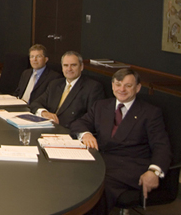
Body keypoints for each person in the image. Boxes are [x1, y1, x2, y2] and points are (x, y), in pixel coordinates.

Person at [70, 69, 171, 214]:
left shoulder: (150, 112)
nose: (122, 89)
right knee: (72, 175)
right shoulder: (101, 106)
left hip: (130, 164)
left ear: (138, 88)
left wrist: (154, 171)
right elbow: (79, 123)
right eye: (118, 84)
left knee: (97, 185)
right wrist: (86, 134)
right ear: (112, 86)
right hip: (100, 158)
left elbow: (161, 145)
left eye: (128, 86)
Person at [29, 51, 104, 128]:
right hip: (48, 128)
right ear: (62, 68)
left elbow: (92, 119)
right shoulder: (55, 84)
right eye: (65, 65)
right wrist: (44, 113)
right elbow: (35, 103)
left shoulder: (92, 88)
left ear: (81, 67)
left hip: (70, 132)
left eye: (73, 65)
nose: (69, 69)